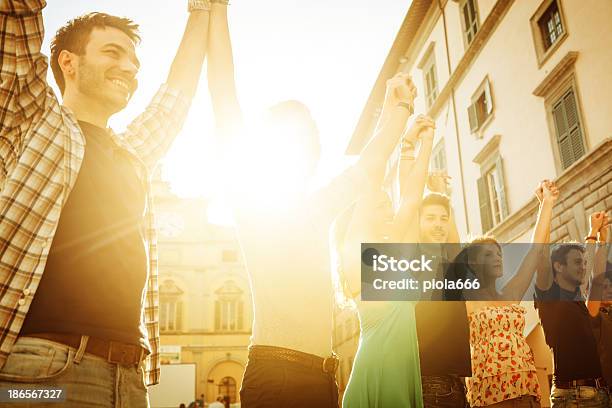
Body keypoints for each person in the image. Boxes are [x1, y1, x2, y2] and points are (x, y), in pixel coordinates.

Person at [0, 0, 215, 405]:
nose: (130, 68)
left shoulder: (131, 153)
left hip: (130, 377)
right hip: (42, 372)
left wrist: (202, 10)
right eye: (112, 52)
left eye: (134, 60)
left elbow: (176, 97)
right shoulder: (33, 118)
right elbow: (16, 19)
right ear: (68, 62)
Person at [204, 6, 420, 406]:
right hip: (276, 373)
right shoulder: (251, 202)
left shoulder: (318, 207)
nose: (306, 148)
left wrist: (399, 109)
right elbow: (222, 93)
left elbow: (371, 162)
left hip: (324, 376)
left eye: (311, 140)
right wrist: (216, 11)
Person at [337, 113, 435, 407]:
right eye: (382, 205)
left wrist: (422, 142)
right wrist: (397, 117)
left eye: (387, 203)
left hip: (402, 374)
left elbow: (411, 199)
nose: (390, 209)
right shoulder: (356, 257)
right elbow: (371, 180)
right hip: (378, 372)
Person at [447, 180, 557, 408]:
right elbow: (451, 251)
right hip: (491, 398)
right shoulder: (468, 298)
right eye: (489, 254)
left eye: (498, 253)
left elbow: (535, 251)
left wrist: (546, 203)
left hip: (527, 392)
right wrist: (447, 200)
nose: (498, 258)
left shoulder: (511, 293)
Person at [535, 211, 610, 408]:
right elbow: (541, 252)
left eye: (583, 263)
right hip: (572, 397)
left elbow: (597, 278)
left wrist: (600, 240)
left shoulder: (579, 302)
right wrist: (547, 205)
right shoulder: (548, 295)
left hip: (599, 393)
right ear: (558, 267)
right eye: (577, 263)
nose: (583, 267)